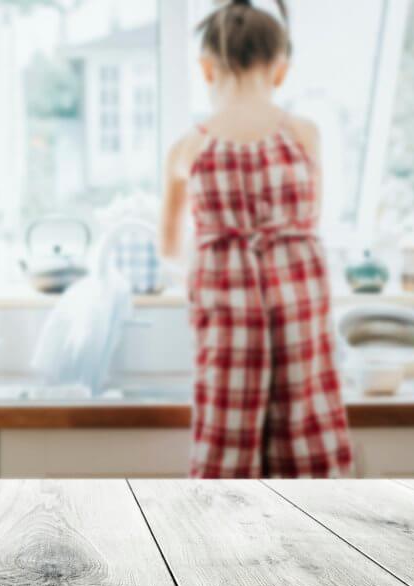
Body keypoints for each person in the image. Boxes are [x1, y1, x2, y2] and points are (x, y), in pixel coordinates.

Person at [161, 0, 353, 478]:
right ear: (280, 71)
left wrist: (219, 260)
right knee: (306, 425)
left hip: (226, 309)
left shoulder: (189, 147)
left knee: (225, 432)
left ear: (206, 69)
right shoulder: (305, 135)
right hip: (298, 303)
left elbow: (168, 248)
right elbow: (311, 220)